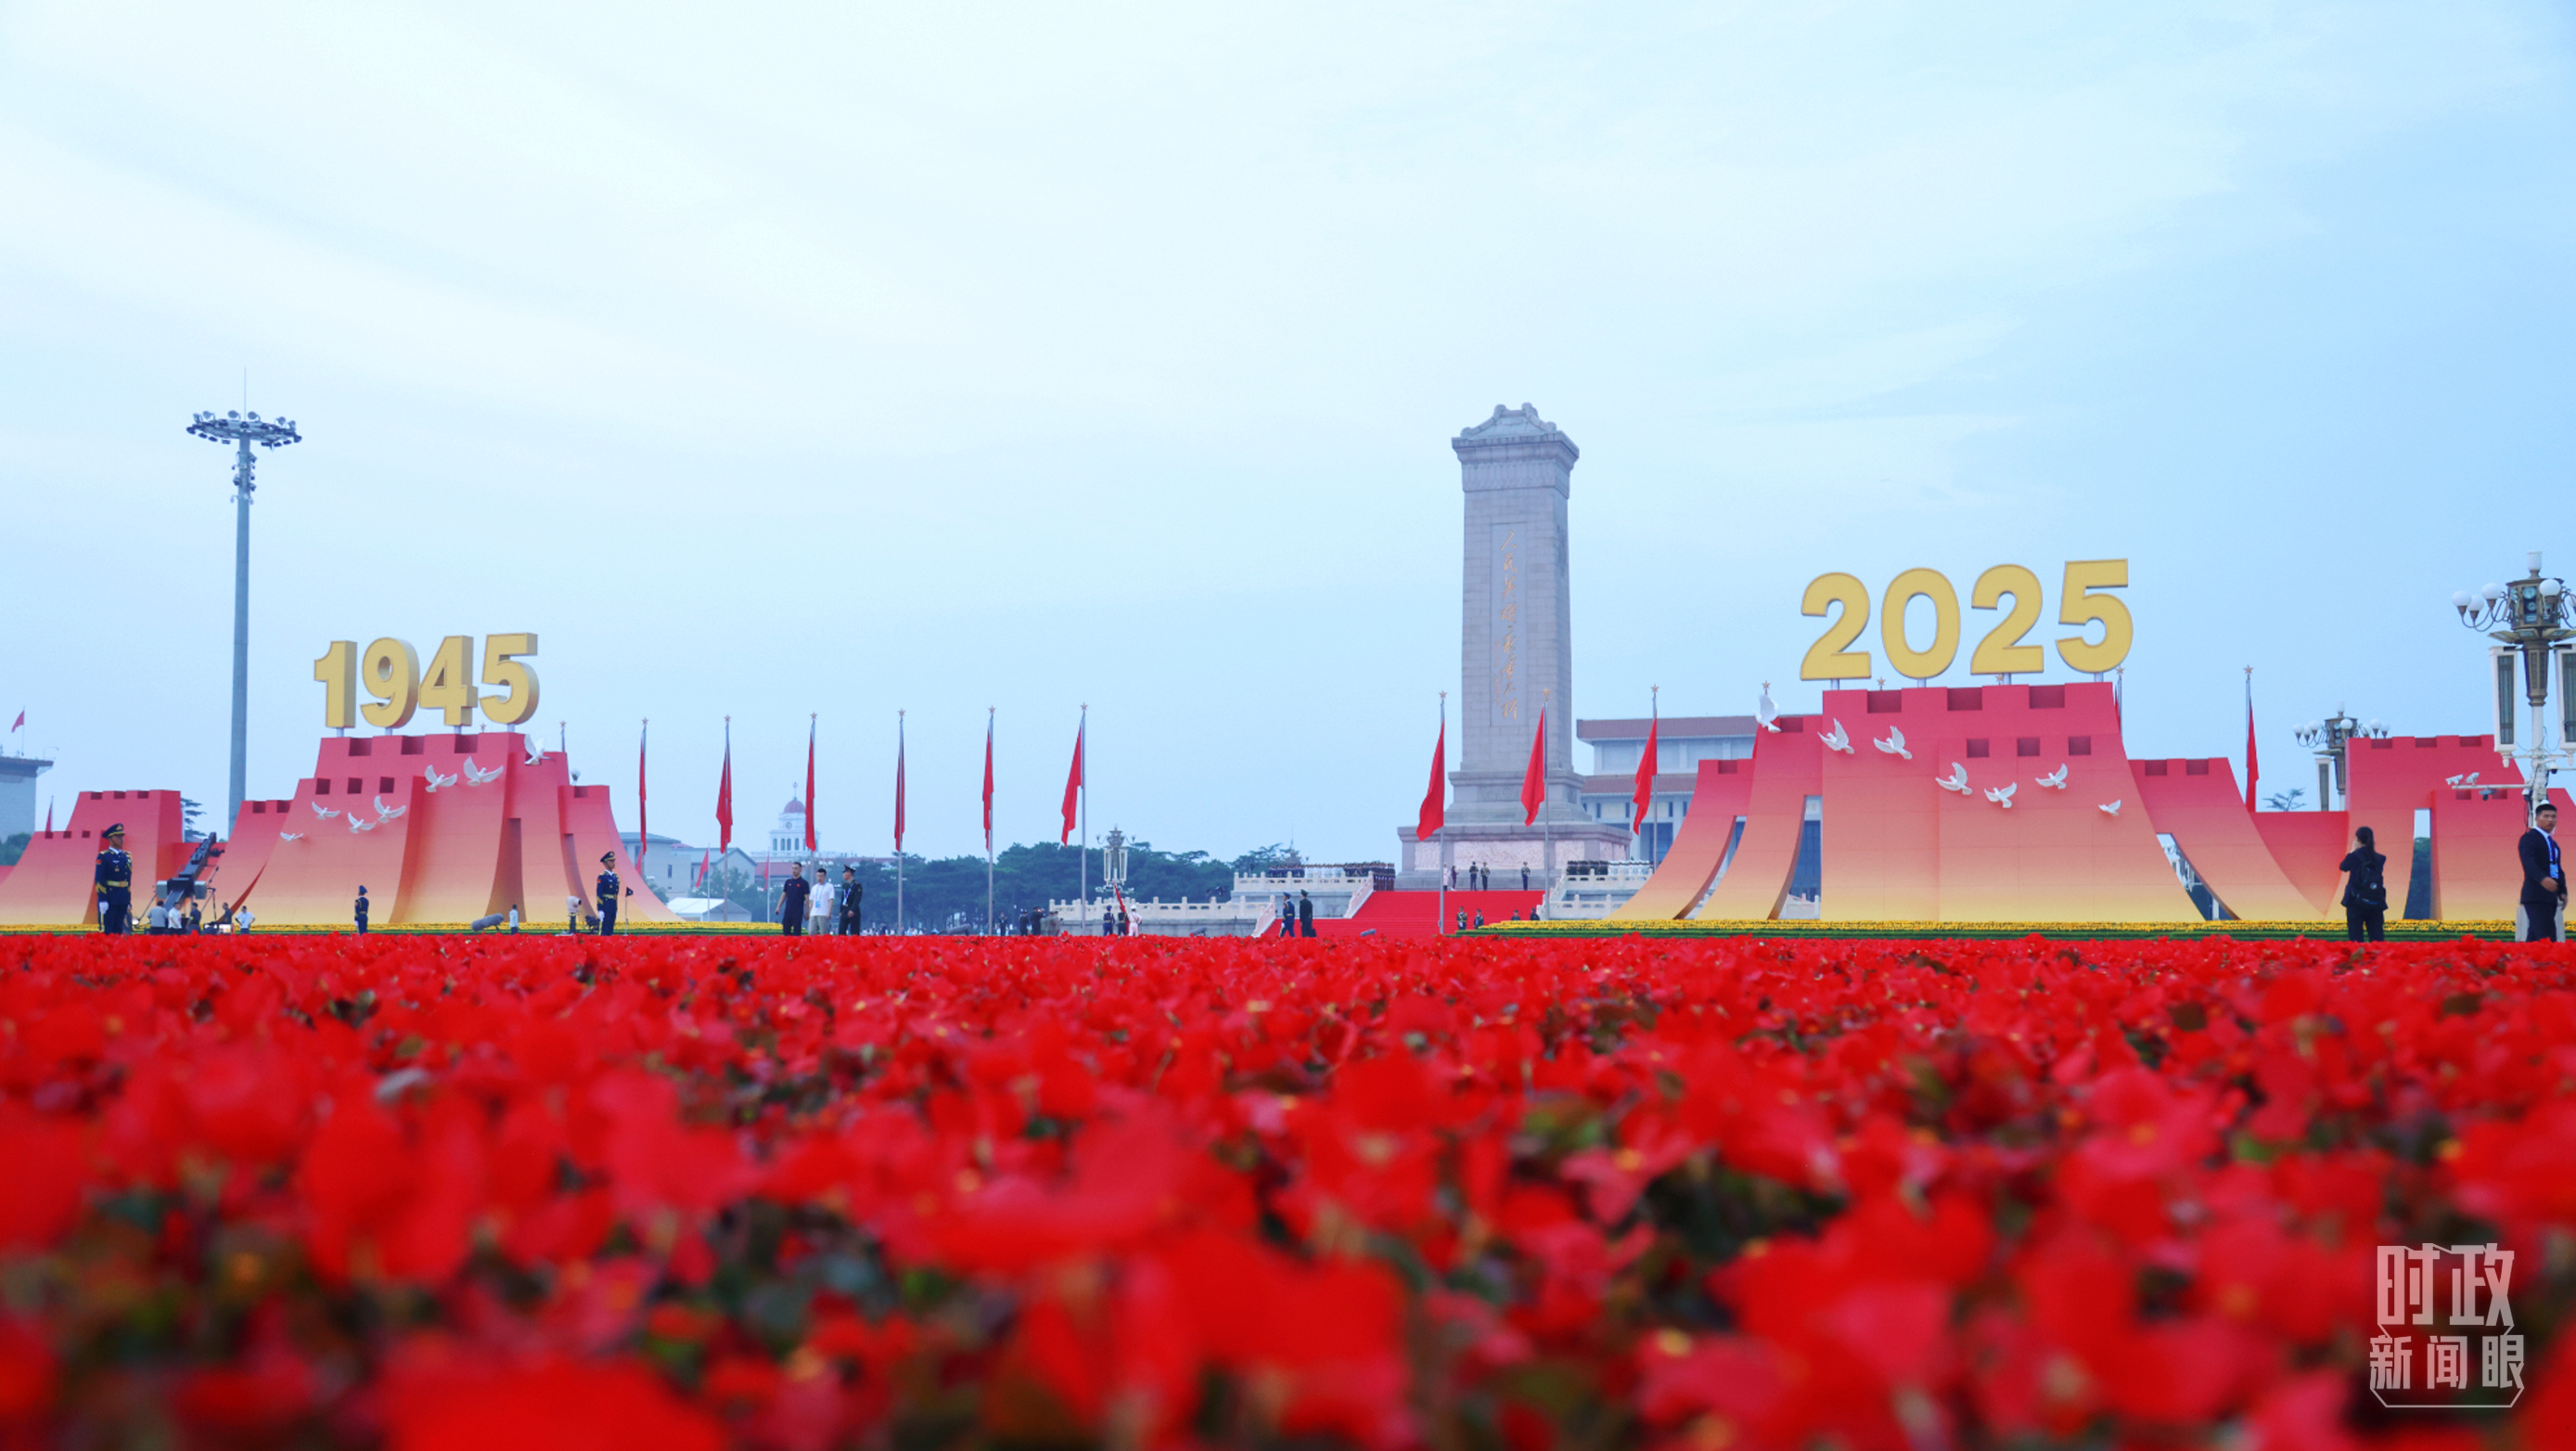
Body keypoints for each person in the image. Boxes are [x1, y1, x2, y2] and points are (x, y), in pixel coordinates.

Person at [2518, 801, 2566, 944]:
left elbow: (2557, 868)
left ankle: (2525, 958)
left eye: (2553, 817)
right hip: (2536, 895)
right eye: (2546, 816)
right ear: (2537, 818)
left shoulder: (2553, 843)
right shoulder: (2529, 838)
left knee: (2535, 937)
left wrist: (2562, 891)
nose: (2550, 820)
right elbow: (2528, 863)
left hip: (2550, 896)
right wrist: (2542, 879)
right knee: (2546, 937)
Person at [2337, 827, 2388, 943]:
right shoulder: (2380, 859)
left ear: (2357, 839)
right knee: (2377, 939)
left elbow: (2343, 867)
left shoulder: (2353, 857)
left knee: (2356, 940)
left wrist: (2353, 850)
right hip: (2375, 902)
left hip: (2355, 902)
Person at [93, 824, 133, 934]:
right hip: (110, 897)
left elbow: (128, 880)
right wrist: (102, 899)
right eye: (118, 837)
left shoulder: (126, 856)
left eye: (122, 836)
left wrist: (128, 900)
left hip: (122, 897)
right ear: (110, 839)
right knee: (108, 930)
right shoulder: (104, 856)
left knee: (119, 929)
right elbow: (100, 878)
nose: (121, 839)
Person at [596, 853, 630, 936]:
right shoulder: (602, 877)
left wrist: (616, 908)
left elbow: (615, 894)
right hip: (606, 905)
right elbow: (599, 893)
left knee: (610, 929)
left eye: (613, 861)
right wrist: (600, 909)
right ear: (605, 863)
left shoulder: (615, 877)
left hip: (613, 905)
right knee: (604, 930)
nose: (613, 863)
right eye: (611, 861)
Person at [778, 862, 810, 936]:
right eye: (792, 868)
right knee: (786, 929)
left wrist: (807, 911)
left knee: (797, 931)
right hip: (788, 910)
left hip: (798, 911)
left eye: (796, 869)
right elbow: (784, 895)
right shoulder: (788, 882)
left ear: (800, 870)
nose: (794, 870)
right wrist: (778, 907)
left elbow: (807, 898)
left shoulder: (804, 883)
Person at [839, 867, 862, 933]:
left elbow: (857, 899)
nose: (843, 875)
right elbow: (843, 899)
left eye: (844, 873)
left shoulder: (856, 885)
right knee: (841, 930)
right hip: (845, 909)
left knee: (854, 930)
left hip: (853, 909)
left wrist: (852, 910)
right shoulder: (845, 885)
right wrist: (841, 910)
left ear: (849, 873)